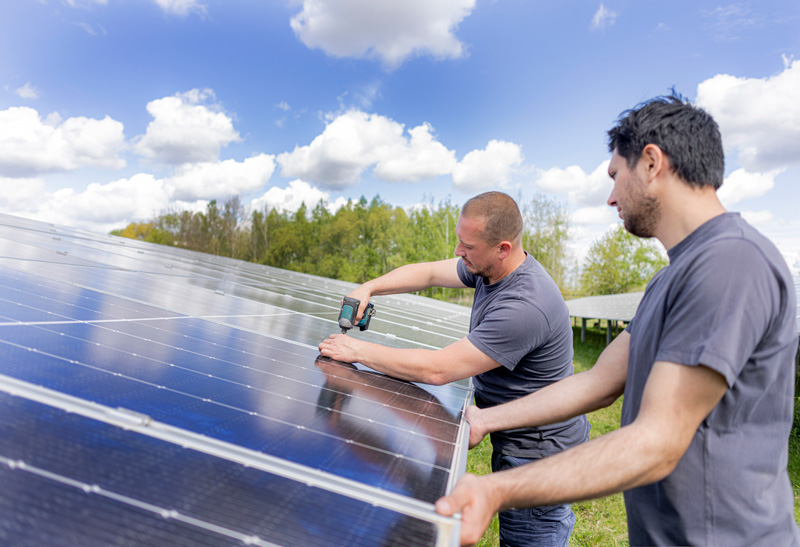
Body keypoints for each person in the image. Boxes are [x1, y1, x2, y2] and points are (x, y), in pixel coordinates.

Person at [435, 95, 800, 546]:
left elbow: (657, 442)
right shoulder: (673, 277)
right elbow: (599, 382)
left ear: (651, 163)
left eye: (614, 176)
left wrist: (497, 490)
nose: (610, 197)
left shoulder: (730, 262)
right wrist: (487, 419)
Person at [319, 191, 590, 546]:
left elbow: (439, 370)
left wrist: (357, 350)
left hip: (540, 453)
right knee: (420, 493)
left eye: (468, 246)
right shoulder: (487, 268)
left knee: (528, 533)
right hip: (514, 431)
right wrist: (370, 287)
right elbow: (430, 272)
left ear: (503, 248)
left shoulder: (525, 305)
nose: (459, 251)